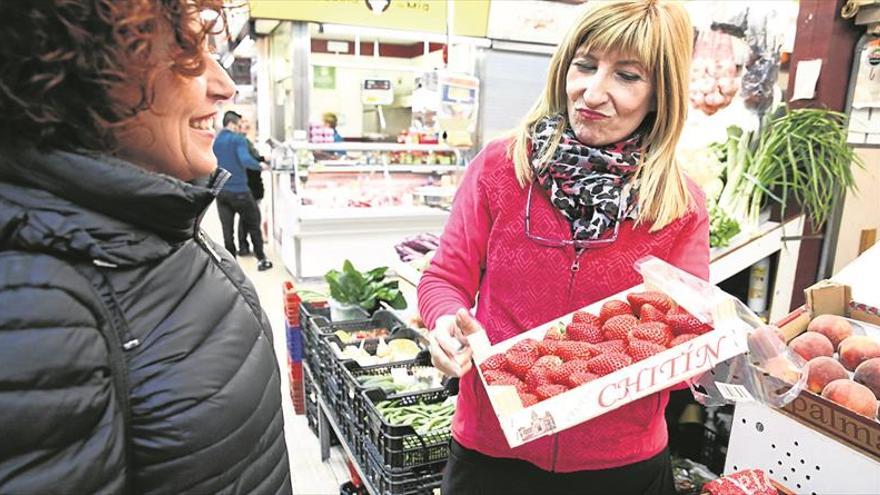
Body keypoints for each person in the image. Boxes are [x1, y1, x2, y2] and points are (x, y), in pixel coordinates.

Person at [0, 2, 290, 493]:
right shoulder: (33, 300)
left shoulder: (151, 220)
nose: (224, 86)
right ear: (84, 70)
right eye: (187, 52)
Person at [418, 1, 706, 494]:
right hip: (495, 449)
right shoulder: (499, 168)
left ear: (662, 94)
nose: (593, 92)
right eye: (586, 64)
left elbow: (688, 333)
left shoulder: (679, 204)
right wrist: (445, 323)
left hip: (620, 463)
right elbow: (444, 278)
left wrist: (706, 351)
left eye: (628, 76)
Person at [214, 111, 272, 270]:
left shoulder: (216, 140)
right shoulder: (238, 139)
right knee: (254, 222)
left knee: (227, 229)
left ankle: (231, 264)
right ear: (232, 124)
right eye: (239, 125)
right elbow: (245, 160)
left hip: (221, 191)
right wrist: (261, 166)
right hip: (239, 190)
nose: (240, 128)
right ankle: (261, 259)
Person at [236, 117, 267, 256]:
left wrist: (263, 159)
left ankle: (246, 246)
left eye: (248, 124)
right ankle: (247, 247)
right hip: (249, 183)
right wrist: (260, 163)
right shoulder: (240, 142)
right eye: (243, 124)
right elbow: (247, 160)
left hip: (252, 183)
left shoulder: (245, 141)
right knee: (249, 217)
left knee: (247, 217)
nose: (246, 126)